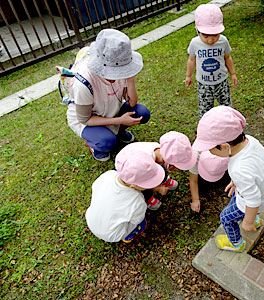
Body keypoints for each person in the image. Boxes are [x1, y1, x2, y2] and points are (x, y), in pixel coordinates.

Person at [192, 106, 264, 252]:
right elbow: (253, 170)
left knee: (225, 217)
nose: (208, 151)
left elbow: (253, 199)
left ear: (223, 146)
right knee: (238, 202)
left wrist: (247, 223)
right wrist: (238, 181)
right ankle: (254, 219)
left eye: (210, 148)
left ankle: (236, 243)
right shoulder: (250, 141)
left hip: (255, 200)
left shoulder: (238, 169)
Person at [66, 28, 151, 162]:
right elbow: (85, 119)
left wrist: (130, 80)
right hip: (88, 119)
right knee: (106, 142)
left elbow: (132, 103)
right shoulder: (83, 83)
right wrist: (119, 120)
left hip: (111, 108)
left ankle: (119, 131)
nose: (118, 74)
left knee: (142, 113)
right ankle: (96, 145)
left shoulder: (122, 66)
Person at [85, 150, 165, 243]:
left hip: (92, 222)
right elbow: (137, 220)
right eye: (148, 183)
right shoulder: (137, 201)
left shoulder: (107, 175)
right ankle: (130, 234)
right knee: (141, 223)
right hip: (112, 235)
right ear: (134, 185)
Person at [119, 131, 197, 210]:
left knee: (161, 170)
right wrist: (158, 188)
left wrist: (168, 165)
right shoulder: (145, 163)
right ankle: (148, 198)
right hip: (133, 173)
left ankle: (164, 180)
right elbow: (143, 182)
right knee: (144, 186)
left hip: (143, 164)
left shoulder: (161, 150)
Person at [185, 4, 238, 119]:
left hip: (222, 82)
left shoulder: (223, 41)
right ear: (197, 30)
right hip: (204, 84)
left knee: (227, 108)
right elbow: (191, 60)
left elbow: (227, 57)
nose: (210, 40)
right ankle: (205, 131)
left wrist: (232, 73)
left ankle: (230, 126)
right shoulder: (195, 43)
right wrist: (188, 76)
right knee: (205, 111)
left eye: (215, 35)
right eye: (205, 35)